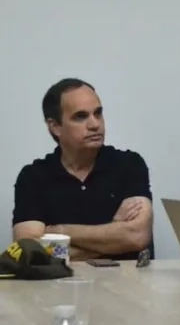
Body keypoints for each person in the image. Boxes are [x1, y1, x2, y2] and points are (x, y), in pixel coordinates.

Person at [12, 78, 154, 261]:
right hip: (62, 280)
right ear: (55, 127)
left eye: (98, 113)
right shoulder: (33, 177)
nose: (95, 124)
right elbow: (29, 252)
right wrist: (114, 235)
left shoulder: (129, 165)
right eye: (80, 116)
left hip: (127, 278)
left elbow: (136, 237)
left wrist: (60, 231)